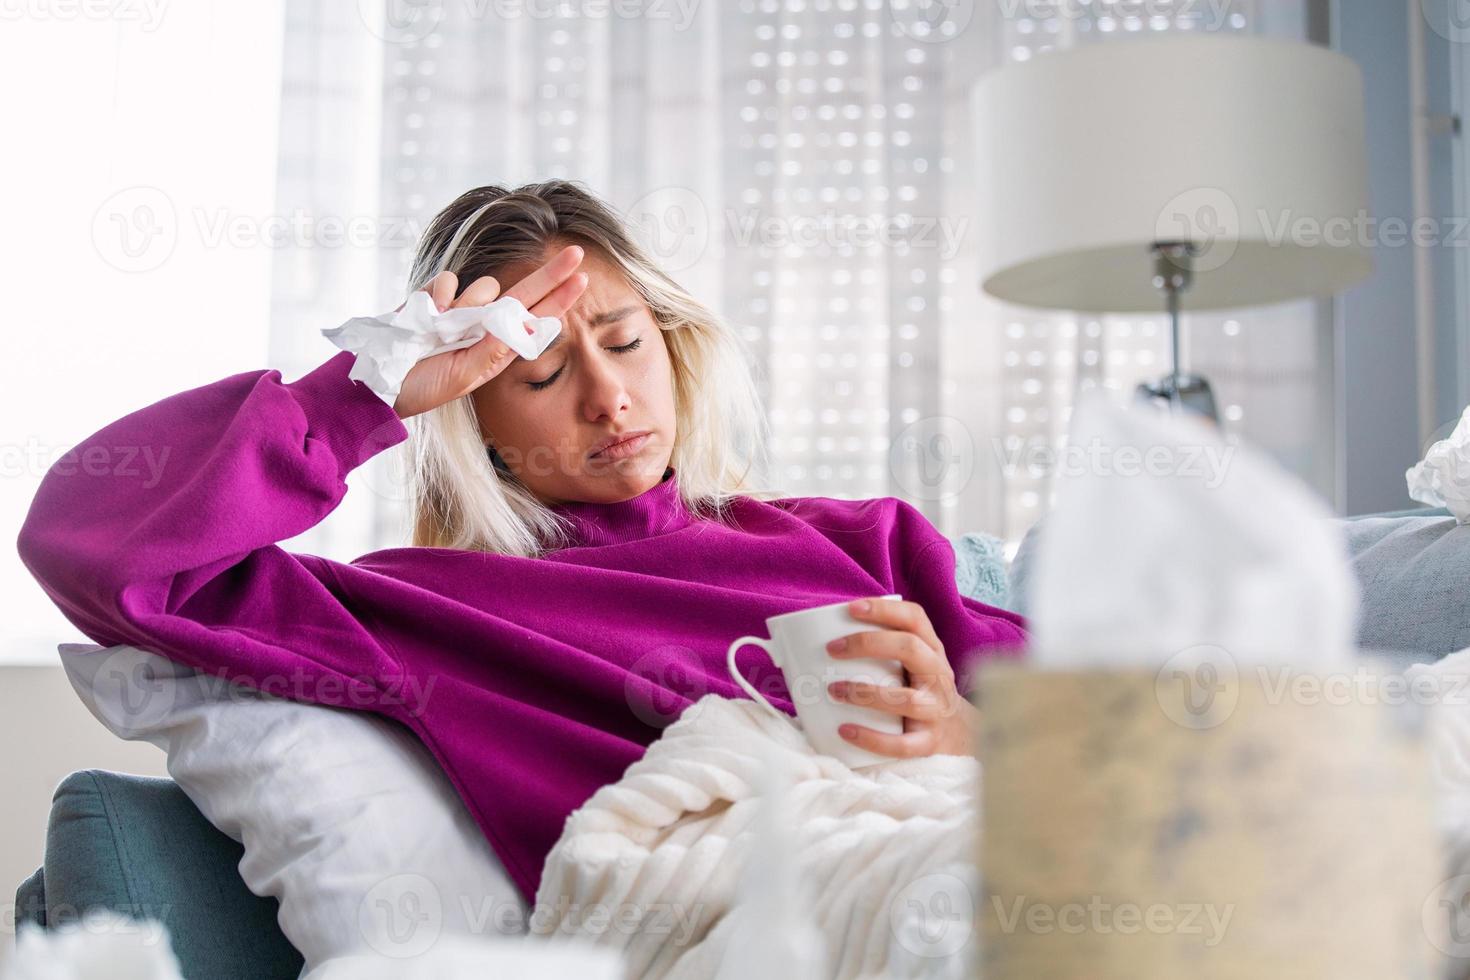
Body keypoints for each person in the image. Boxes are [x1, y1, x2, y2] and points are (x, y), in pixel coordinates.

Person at [16, 179, 1026, 908]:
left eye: (626, 341)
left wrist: (966, 735)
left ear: (672, 345)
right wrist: (362, 392)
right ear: (475, 417)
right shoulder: (420, 610)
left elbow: (1128, 744)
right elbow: (94, 547)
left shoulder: (864, 541)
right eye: (540, 377)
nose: (607, 395)